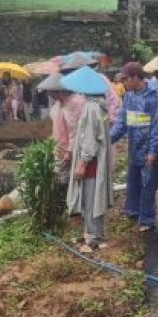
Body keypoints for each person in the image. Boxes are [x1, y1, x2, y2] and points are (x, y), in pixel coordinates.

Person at [110, 62, 158, 232]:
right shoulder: (129, 96)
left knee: (148, 183)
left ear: (136, 77)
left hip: (149, 147)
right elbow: (122, 120)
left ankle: (147, 219)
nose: (124, 83)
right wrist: (108, 139)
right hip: (134, 144)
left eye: (126, 79)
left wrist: (153, 151)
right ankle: (133, 211)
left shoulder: (155, 96)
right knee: (133, 180)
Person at [62, 67, 113, 253]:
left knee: (91, 198)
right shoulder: (99, 106)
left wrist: (82, 163)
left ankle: (93, 237)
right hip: (94, 159)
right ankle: (90, 232)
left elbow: (91, 139)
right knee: (90, 197)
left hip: (91, 162)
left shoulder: (92, 108)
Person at [38, 73, 86, 182]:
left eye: (50, 92)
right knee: (61, 178)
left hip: (72, 149)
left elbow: (74, 131)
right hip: (60, 147)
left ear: (58, 91)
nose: (49, 94)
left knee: (72, 179)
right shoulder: (59, 104)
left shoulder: (74, 103)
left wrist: (69, 152)